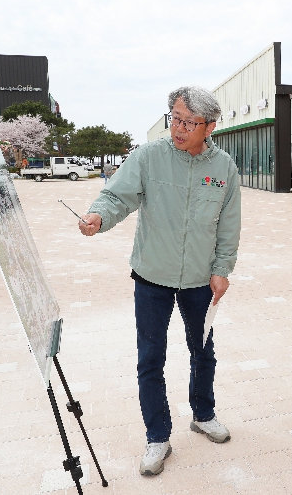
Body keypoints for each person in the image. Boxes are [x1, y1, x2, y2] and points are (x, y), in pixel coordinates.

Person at [78, 86, 241, 476]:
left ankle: (203, 414)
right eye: (175, 119)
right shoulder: (148, 157)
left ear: (209, 127)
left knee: (203, 351)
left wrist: (222, 269)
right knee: (150, 359)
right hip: (152, 277)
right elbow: (117, 197)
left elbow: (228, 225)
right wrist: (98, 216)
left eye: (189, 123)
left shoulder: (224, 168)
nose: (179, 128)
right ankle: (157, 436)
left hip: (200, 280)